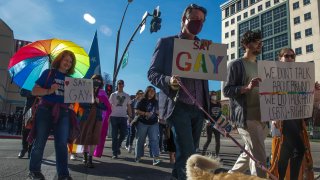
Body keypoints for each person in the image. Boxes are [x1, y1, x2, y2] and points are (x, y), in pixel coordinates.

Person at [148, 4, 209, 179]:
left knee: (190, 154)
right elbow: (152, 73)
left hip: (198, 109)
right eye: (196, 20)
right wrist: (169, 80)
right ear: (184, 19)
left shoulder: (203, 46)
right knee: (188, 153)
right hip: (178, 106)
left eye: (202, 22)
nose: (199, 24)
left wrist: (209, 54)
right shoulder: (166, 43)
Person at [223, 30, 268, 178]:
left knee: (249, 153)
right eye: (256, 42)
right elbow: (226, 90)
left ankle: (229, 177)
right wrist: (246, 88)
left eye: (260, 42)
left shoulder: (262, 66)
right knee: (260, 158)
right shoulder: (235, 65)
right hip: (247, 117)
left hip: (263, 117)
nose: (260, 45)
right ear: (245, 44)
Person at [269, 48, 319, 180]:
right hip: (283, 119)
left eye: (292, 56)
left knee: (285, 152)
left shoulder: (299, 77)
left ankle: (281, 178)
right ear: (280, 58)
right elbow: (269, 97)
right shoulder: (273, 75)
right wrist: (274, 116)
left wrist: (313, 92)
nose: (290, 58)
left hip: (297, 119)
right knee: (298, 150)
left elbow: (304, 100)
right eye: (287, 56)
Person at [28, 50, 76, 180]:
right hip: (45, 110)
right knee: (40, 141)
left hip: (64, 113)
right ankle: (34, 171)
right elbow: (34, 91)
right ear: (60, 59)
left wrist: (72, 103)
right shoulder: (48, 73)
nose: (68, 63)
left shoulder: (72, 80)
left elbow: (73, 99)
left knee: (61, 144)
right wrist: (50, 90)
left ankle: (63, 174)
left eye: (70, 62)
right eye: (66, 60)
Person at [75, 74, 107, 168]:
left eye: (99, 80)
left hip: (97, 119)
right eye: (95, 80)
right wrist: (89, 102)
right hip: (86, 117)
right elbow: (80, 104)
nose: (97, 82)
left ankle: (90, 159)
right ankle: (85, 156)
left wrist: (98, 102)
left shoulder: (102, 93)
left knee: (94, 138)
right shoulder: (85, 91)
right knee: (86, 137)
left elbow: (105, 107)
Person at [134, 86, 161, 165]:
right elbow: (136, 110)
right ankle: (138, 156)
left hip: (154, 123)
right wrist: (145, 113)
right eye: (151, 91)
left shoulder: (156, 102)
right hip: (142, 123)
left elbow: (158, 111)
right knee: (140, 140)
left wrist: (159, 113)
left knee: (154, 140)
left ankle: (155, 158)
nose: (152, 92)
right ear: (147, 92)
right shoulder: (142, 100)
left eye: (154, 91)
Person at [109, 79, 132, 159]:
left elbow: (129, 106)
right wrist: (108, 116)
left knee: (124, 133)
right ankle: (114, 153)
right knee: (114, 136)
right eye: (119, 83)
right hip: (114, 116)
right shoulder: (113, 95)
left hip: (123, 117)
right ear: (117, 85)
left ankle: (118, 145)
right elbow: (109, 106)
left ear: (123, 85)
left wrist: (130, 116)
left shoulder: (127, 95)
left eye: (122, 83)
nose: (120, 85)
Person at [202, 92, 221, 158]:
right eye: (213, 95)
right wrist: (207, 121)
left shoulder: (219, 104)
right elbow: (205, 113)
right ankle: (203, 154)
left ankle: (217, 155)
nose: (214, 96)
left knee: (218, 141)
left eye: (215, 95)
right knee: (208, 140)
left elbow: (220, 114)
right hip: (209, 125)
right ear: (210, 96)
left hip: (217, 125)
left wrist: (221, 122)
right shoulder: (209, 104)